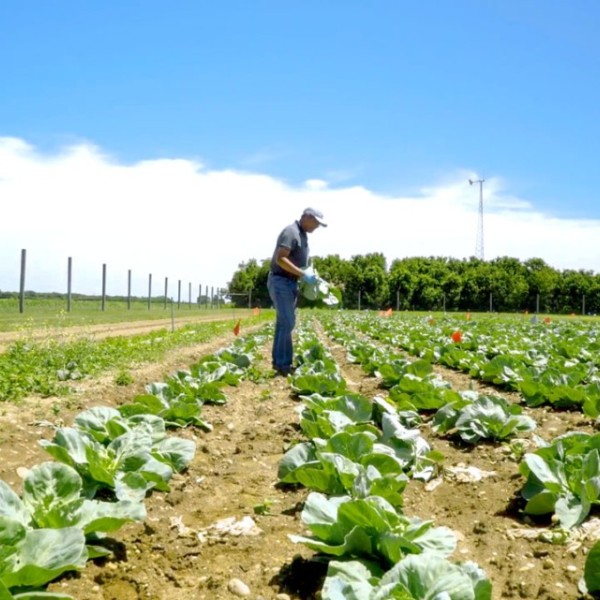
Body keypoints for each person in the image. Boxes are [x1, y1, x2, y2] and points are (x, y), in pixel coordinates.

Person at [267, 207, 327, 376]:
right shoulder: (291, 232)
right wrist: (303, 274)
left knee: (283, 323)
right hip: (280, 281)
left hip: (290, 282)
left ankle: (279, 363)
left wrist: (309, 274)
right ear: (306, 217)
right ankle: (284, 365)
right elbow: (281, 258)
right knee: (288, 322)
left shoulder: (302, 235)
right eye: (315, 222)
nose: (316, 227)